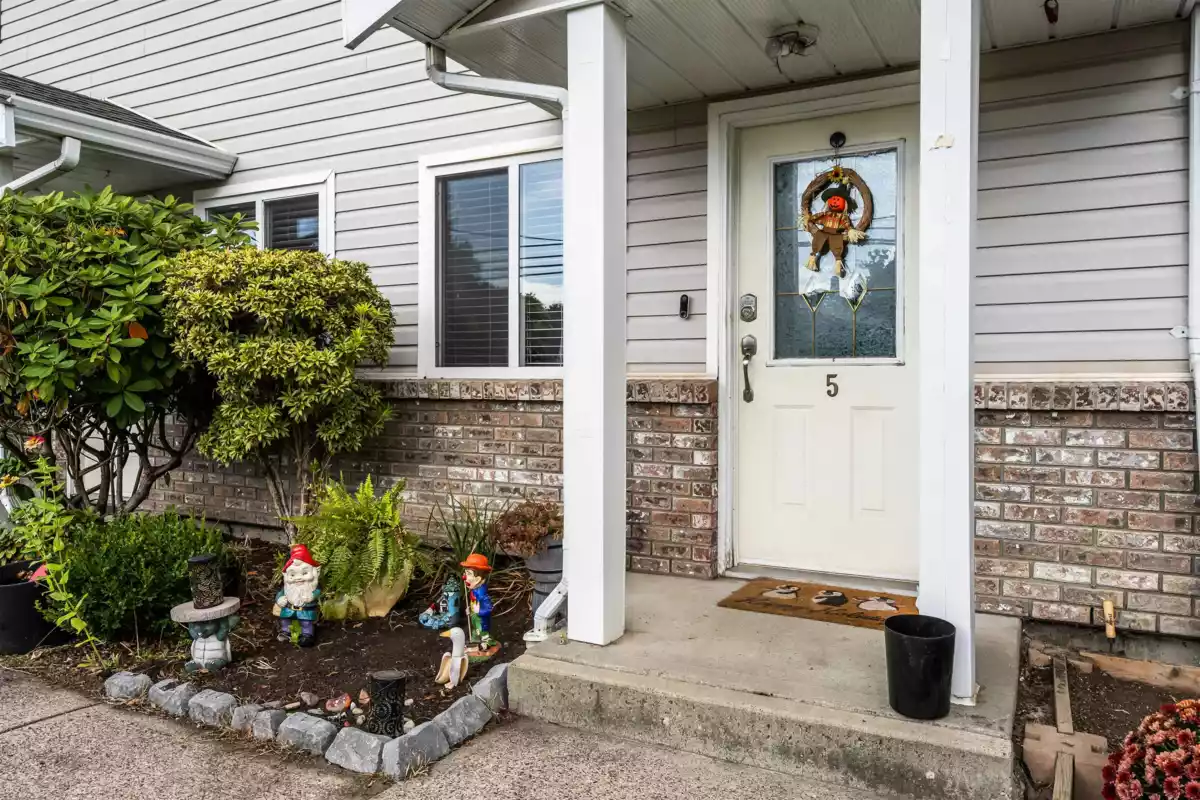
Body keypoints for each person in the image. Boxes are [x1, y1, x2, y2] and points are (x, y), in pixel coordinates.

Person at [273, 543, 321, 647]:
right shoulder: (287, 588)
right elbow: (280, 594)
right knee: (285, 620)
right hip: (288, 609)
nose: (298, 578)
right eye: (293, 575)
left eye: (304, 573)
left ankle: (307, 635)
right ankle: (286, 632)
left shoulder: (311, 587)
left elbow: (317, 593)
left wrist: (312, 597)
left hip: (305, 611)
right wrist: (280, 599)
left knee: (306, 623)